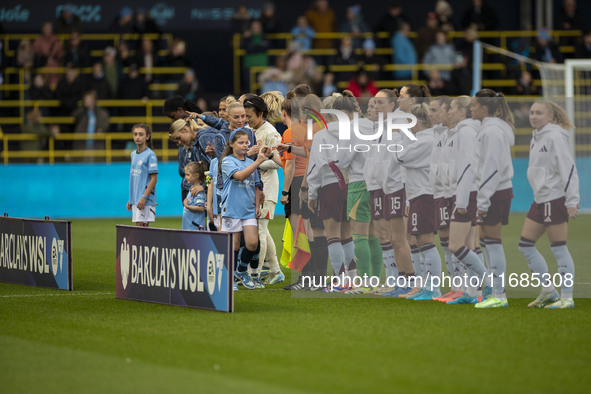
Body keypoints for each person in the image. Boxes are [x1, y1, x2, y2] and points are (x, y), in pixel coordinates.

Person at [452, 89, 515, 308]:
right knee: (488, 243)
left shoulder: (492, 132)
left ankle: (498, 294)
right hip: (494, 192)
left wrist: (484, 200)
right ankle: (494, 292)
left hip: (496, 193)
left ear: (484, 108)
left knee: (493, 243)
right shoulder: (489, 130)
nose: (472, 108)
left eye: (475, 105)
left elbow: (491, 168)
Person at [519, 101, 579, 309]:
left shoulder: (554, 136)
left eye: (539, 113)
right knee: (525, 245)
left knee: (559, 248)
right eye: (532, 112)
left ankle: (567, 297)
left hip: (555, 198)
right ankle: (548, 291)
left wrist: (571, 200)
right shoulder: (537, 136)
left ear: (551, 117)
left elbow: (568, 168)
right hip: (540, 199)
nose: (534, 116)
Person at [395, 103, 442, 300]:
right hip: (417, 194)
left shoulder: (425, 140)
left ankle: (433, 288)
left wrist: (402, 140)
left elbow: (401, 157)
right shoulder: (422, 139)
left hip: (425, 194)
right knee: (419, 241)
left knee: (425, 241)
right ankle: (426, 286)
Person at [221, 130, 272, 290]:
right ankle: (229, 278)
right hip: (232, 209)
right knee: (234, 245)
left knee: (252, 243)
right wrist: (257, 161)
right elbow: (241, 176)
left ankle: (241, 271)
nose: (245, 145)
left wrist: (257, 206)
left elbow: (257, 186)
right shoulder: (227, 161)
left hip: (249, 209)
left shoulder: (250, 162)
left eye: (246, 143)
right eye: (241, 143)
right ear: (231, 144)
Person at [444, 96, 482, 304]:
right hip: (466, 191)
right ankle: (471, 292)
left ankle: (488, 283)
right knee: (469, 244)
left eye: (451, 108)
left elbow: (467, 166)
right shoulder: (465, 131)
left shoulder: (466, 131)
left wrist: (461, 200)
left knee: (455, 245)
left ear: (461, 111)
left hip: (467, 193)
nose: (448, 111)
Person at [243, 95, 284, 284]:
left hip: (267, 187)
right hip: (251, 188)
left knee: (259, 229)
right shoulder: (247, 131)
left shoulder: (271, 133)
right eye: (244, 115)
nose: (246, 119)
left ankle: (254, 274)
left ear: (260, 114)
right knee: (262, 229)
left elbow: (279, 163)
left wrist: (255, 164)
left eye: (249, 116)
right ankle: (275, 270)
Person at [127, 124, 158, 227]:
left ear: (147, 137)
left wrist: (144, 197)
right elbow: (135, 179)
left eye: (141, 134)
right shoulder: (133, 154)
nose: (137, 137)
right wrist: (131, 199)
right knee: (139, 229)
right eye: (135, 134)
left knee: (142, 230)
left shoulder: (150, 155)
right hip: (136, 199)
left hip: (146, 199)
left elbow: (154, 179)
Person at [182, 161, 207, 231]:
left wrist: (187, 206)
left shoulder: (198, 192)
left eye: (188, 175)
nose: (186, 177)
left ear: (196, 175)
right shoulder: (192, 189)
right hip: (189, 228)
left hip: (195, 229)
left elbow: (200, 208)